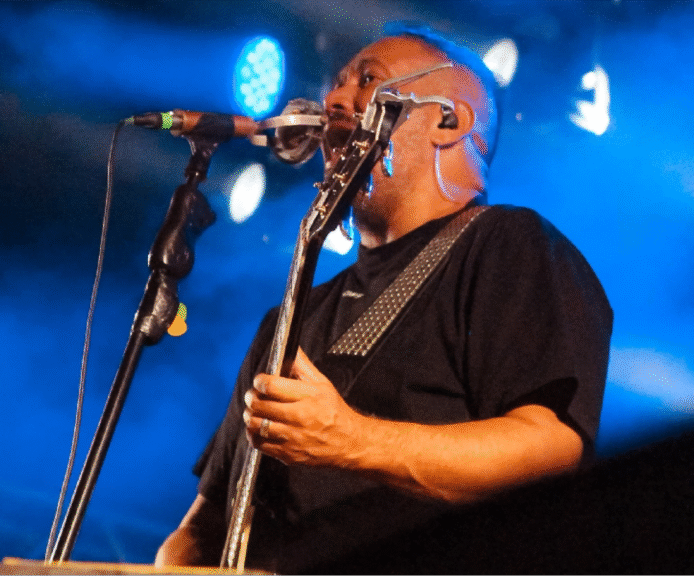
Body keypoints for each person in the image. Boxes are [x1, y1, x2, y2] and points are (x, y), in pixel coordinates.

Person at [155, 24, 612, 573]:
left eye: (368, 81)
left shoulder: (510, 245)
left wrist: (352, 440)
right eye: (336, 85)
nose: (334, 100)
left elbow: (552, 452)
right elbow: (201, 528)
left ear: (448, 121)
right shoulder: (291, 318)